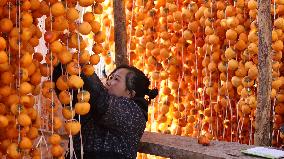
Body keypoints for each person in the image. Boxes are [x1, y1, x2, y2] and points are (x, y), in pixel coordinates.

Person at [52, 63, 158, 159]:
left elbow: (100, 99)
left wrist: (80, 66)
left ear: (130, 93)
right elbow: (68, 95)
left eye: (116, 79)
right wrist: (60, 67)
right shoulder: (92, 104)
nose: (108, 82)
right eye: (110, 78)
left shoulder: (134, 113)